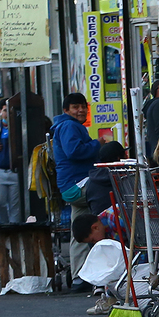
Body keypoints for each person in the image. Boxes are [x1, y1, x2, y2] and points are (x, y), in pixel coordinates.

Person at [53, 92, 106, 291]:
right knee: (110, 204)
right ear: (66, 111)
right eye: (75, 107)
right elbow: (74, 151)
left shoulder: (68, 126)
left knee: (79, 230)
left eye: (83, 106)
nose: (81, 110)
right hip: (78, 184)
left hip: (72, 186)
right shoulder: (68, 126)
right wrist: (97, 144)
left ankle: (79, 278)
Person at [86, 141, 127, 215]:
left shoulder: (91, 180)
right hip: (122, 222)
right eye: (125, 154)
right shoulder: (124, 177)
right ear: (119, 158)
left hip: (100, 222)